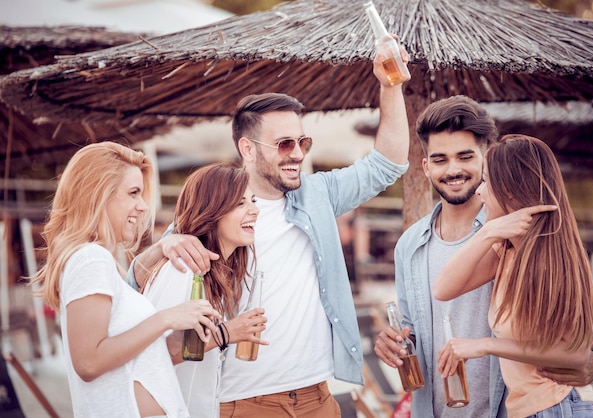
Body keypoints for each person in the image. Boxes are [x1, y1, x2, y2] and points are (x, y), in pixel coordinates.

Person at [129, 46, 411, 418]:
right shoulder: (212, 216)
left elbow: (387, 164)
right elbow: (136, 287)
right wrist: (164, 248)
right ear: (247, 148)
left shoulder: (317, 195)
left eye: (302, 142)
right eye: (284, 144)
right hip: (243, 402)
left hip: (318, 395)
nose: (297, 153)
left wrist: (389, 85)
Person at [374, 96, 593, 418]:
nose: (453, 169)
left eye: (465, 156)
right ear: (426, 167)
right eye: (440, 159)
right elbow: (412, 326)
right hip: (438, 409)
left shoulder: (521, 232)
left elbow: (573, 328)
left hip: (511, 409)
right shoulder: (409, 246)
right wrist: (391, 343)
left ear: (487, 158)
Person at [32, 142, 220, 418]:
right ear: (99, 195)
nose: (143, 207)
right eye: (133, 193)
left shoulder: (100, 262)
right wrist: (167, 318)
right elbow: (88, 362)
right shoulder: (90, 259)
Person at [433, 134, 593, 418]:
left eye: (487, 182)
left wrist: (485, 345)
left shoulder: (551, 258)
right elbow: (442, 288)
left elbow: (575, 354)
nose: (479, 192)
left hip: (556, 407)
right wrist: (488, 232)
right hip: (530, 411)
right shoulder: (507, 250)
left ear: (509, 191)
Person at [142, 163, 267, 418]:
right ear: (213, 211)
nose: (255, 210)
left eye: (252, 201)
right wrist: (226, 334)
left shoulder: (217, 274)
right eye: (241, 203)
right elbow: (149, 355)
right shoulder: (182, 270)